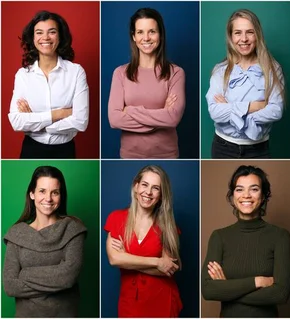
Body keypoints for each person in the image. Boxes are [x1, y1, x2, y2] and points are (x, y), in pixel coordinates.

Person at [201, 165, 290, 317]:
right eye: (239, 189)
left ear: (263, 196)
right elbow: (208, 290)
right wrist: (257, 282)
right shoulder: (219, 237)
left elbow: (280, 294)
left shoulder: (280, 236)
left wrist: (227, 289)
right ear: (232, 196)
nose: (246, 195)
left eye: (254, 189)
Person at [3, 166, 87, 317]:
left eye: (54, 192)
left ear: (61, 196)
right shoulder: (16, 233)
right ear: (32, 194)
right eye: (42, 191)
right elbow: (10, 285)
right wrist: (54, 281)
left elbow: (68, 278)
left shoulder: (73, 229)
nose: (48, 198)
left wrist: (24, 274)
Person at [8, 11, 89, 159]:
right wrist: (60, 114)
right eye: (39, 32)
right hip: (31, 149)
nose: (45, 37)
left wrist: (36, 122)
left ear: (60, 36)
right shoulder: (23, 75)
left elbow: (81, 121)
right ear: (33, 38)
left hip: (65, 150)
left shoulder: (76, 72)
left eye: (52, 32)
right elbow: (16, 121)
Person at [104, 165, 182, 317]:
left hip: (162, 301)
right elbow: (114, 259)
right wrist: (157, 262)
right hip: (129, 302)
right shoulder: (116, 218)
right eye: (145, 185)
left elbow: (168, 269)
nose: (148, 192)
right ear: (136, 186)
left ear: (161, 195)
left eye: (156, 188)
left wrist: (127, 258)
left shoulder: (167, 226)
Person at [108, 8, 186, 159]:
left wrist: (130, 110)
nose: (146, 38)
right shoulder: (120, 73)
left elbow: (172, 119)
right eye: (140, 32)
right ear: (134, 37)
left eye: (152, 31)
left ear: (160, 35)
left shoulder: (176, 73)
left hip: (166, 154)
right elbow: (114, 119)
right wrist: (161, 115)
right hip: (130, 154)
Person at [206, 9, 285, 159]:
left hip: (259, 149)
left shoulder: (273, 69)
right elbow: (215, 112)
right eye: (237, 33)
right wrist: (252, 106)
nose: (244, 39)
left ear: (258, 35)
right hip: (223, 148)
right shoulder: (220, 70)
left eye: (250, 32)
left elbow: (276, 110)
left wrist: (233, 111)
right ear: (230, 37)